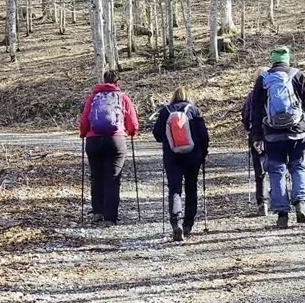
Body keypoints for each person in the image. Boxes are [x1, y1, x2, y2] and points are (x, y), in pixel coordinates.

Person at [247, 46, 305, 229]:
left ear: (272, 60)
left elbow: (255, 111)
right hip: (298, 132)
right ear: (288, 59)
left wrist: (257, 136)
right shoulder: (298, 76)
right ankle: (301, 203)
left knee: (276, 171)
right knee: (299, 167)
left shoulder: (263, 79)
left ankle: (282, 214)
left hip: (272, 134)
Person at [77, 70, 139, 226]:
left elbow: (84, 121)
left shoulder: (93, 97)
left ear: (103, 81)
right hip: (116, 140)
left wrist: (84, 133)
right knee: (113, 178)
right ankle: (110, 218)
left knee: (96, 176)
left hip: (93, 141)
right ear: (118, 82)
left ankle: (98, 212)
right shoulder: (123, 97)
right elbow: (132, 122)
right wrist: (131, 132)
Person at [152, 87, 210, 241]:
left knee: (174, 189)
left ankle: (175, 222)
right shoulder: (194, 110)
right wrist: (203, 153)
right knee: (191, 187)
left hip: (172, 156)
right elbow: (204, 135)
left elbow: (157, 134)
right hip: (193, 156)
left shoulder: (165, 111)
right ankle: (188, 224)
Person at [240, 86, 268, 216]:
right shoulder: (274, 91)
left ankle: (263, 202)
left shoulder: (252, 95)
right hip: (275, 133)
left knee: (259, 171)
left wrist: (249, 129)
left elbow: (246, 116)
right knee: (277, 167)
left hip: (256, 135)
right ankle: (280, 200)